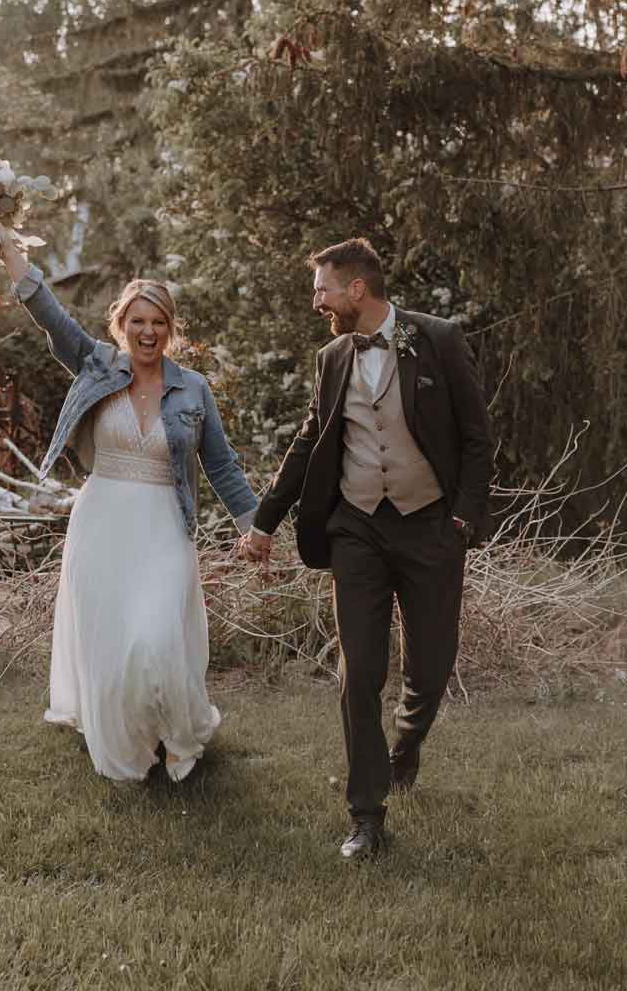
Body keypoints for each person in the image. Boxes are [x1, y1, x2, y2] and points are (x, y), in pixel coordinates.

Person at [240, 238, 493, 860]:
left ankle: (403, 751)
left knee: (430, 669)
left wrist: (460, 520)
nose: (317, 300)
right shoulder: (331, 358)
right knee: (360, 670)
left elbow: (477, 439)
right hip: (357, 529)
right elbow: (308, 441)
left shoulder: (438, 338)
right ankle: (366, 815)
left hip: (429, 524)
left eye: (323, 288)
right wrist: (265, 519)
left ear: (357, 289)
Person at [0, 231, 257, 783]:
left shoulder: (193, 390)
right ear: (120, 325)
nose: (148, 331)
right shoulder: (96, 366)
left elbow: (222, 465)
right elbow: (49, 314)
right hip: (103, 524)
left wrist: (256, 526)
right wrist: (9, 252)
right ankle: (131, 745)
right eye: (138, 320)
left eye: (158, 322)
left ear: (171, 329)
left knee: (155, 639)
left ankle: (172, 733)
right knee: (112, 643)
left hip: (163, 528)